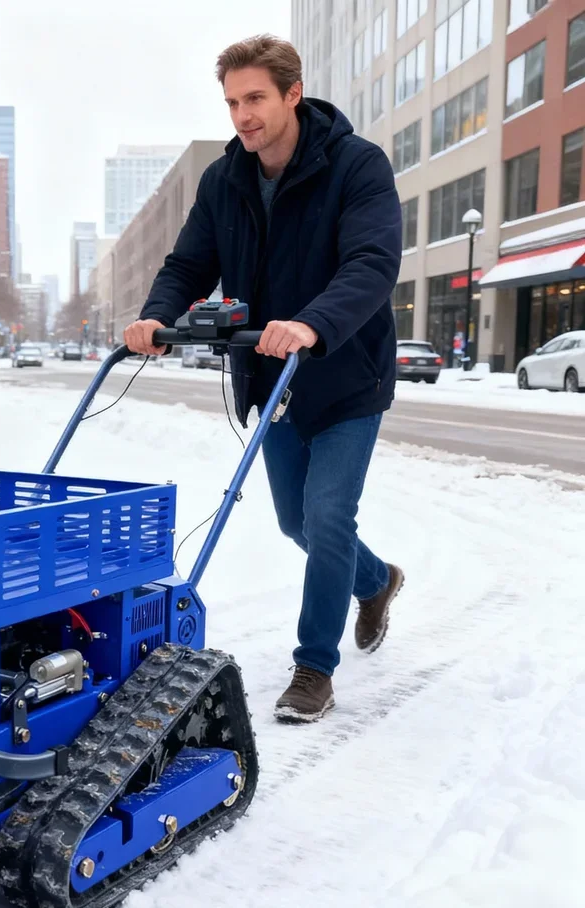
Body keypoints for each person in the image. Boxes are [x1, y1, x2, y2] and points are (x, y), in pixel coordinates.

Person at [124, 34, 404, 723]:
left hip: (344, 375)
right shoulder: (226, 180)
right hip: (271, 382)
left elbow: (370, 263)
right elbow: (189, 263)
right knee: (294, 522)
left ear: (291, 95)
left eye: (255, 99)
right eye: (231, 102)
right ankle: (376, 581)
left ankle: (314, 667)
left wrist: (312, 322)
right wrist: (155, 318)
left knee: (328, 515)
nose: (243, 116)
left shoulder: (357, 166)